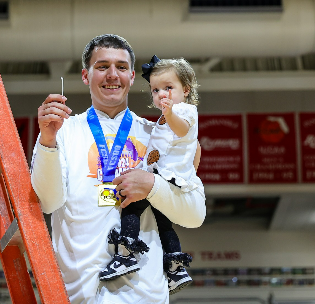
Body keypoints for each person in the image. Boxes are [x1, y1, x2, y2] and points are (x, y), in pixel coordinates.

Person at [31, 34, 206, 304]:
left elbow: (195, 214)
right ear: (85, 76)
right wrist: (47, 140)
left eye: (121, 67)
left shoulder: (160, 135)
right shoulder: (61, 133)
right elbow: (47, 201)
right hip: (79, 294)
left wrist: (152, 186)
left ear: (133, 76)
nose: (113, 74)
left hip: (144, 296)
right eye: (102, 67)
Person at [99, 55, 205, 295]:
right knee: (163, 222)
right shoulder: (162, 119)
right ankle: (176, 268)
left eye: (169, 88)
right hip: (162, 177)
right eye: (156, 90)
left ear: (185, 90)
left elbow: (183, 129)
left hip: (168, 179)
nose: (162, 94)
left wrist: (169, 114)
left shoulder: (180, 113)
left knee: (132, 207)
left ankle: (126, 255)